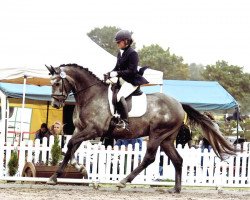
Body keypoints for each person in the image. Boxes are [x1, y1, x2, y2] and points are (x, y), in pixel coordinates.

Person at [107, 30, 149, 132]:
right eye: (117, 42)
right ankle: (116, 115)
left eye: (119, 42)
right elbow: (117, 67)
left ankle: (124, 122)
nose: (117, 44)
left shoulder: (133, 53)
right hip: (122, 80)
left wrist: (117, 73)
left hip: (131, 81)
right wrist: (109, 73)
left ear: (126, 41)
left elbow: (132, 71)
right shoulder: (120, 53)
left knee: (119, 96)